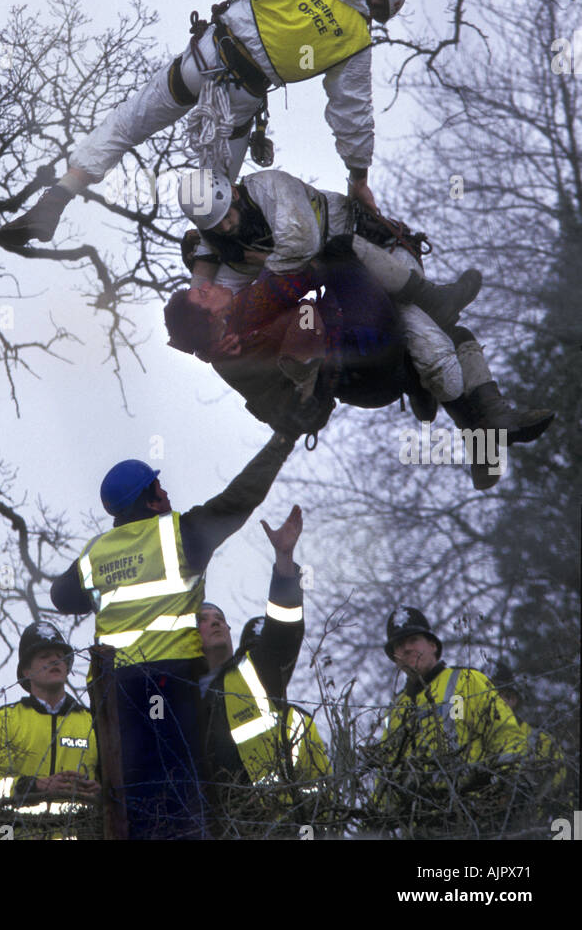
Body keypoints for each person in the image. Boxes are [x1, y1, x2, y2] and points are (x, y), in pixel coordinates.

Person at [0, 0, 407, 246]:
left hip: (204, 61)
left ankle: (58, 197)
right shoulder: (356, 42)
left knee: (127, 123)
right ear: (379, 6)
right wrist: (358, 178)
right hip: (240, 97)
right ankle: (219, 262)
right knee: (218, 196)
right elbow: (351, 115)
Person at [165, 168, 553, 479]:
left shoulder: (269, 192)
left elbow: (292, 258)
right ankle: (466, 402)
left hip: (368, 284)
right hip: (351, 304)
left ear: (233, 193)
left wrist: (357, 173)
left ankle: (477, 410)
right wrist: (212, 341)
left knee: (435, 350)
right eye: (217, 229)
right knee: (435, 351)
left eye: (228, 218)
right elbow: (238, 297)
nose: (229, 228)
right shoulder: (233, 278)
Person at [50, 439, 294, 840]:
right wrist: (282, 441)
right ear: (149, 501)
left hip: (120, 693)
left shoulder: (96, 553)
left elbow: (61, 596)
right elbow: (239, 498)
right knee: (180, 788)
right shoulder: (180, 534)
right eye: (158, 489)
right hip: (168, 684)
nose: (166, 493)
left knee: (135, 791)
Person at [198, 504, 331, 835]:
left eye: (220, 620)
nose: (214, 623)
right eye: (202, 620)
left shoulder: (255, 669)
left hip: (273, 822)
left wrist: (284, 562)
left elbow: (284, 629)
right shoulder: (176, 689)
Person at [367, 606, 529, 836]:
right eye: (399, 645)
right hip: (418, 825)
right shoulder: (398, 708)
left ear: (433, 646)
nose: (406, 648)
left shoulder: (467, 681)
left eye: (413, 639)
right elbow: (390, 769)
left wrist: (512, 785)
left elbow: (504, 733)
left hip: (473, 816)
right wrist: (378, 817)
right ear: (394, 657)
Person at [0, 621, 100, 838]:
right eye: (45, 655)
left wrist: (99, 792)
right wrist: (35, 786)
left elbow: (114, 788)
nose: (54, 660)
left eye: (60, 655)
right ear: (26, 671)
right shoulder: (5, 720)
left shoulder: (91, 722)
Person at [491, 660, 569, 812]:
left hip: (526, 822)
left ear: (512, 699)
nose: (489, 702)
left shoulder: (540, 740)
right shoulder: (476, 737)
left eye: (496, 695)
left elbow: (558, 781)